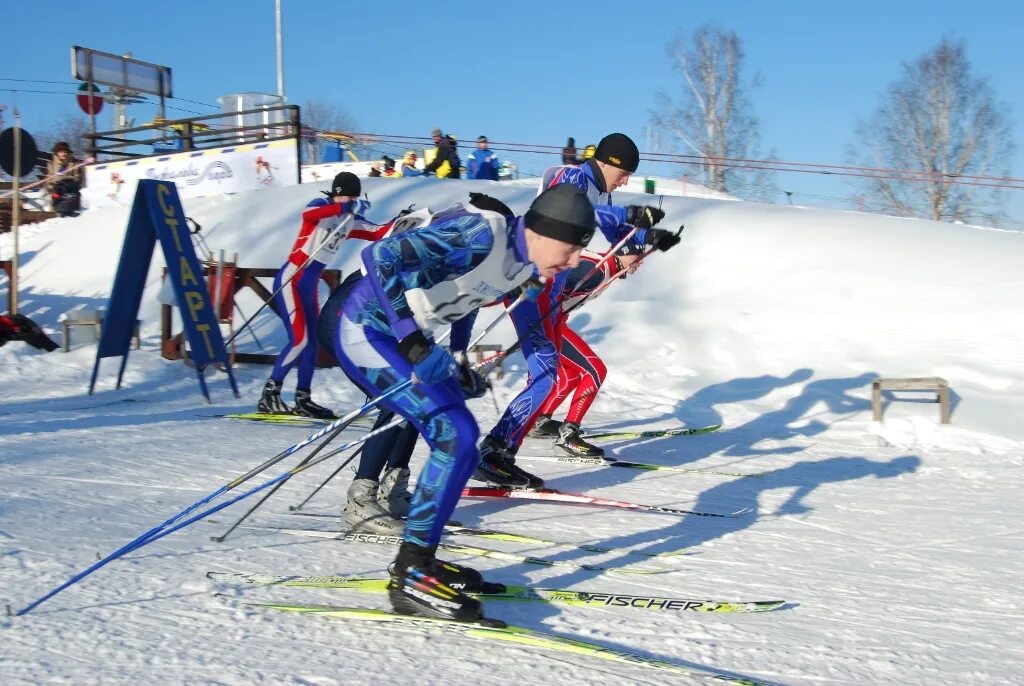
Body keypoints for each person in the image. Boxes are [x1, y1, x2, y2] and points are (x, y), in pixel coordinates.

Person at [327, 184, 600, 621]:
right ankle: (410, 571)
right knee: (455, 435)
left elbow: (467, 301)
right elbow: (378, 258)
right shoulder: (482, 233)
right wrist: (413, 341)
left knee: (462, 441)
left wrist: (460, 365)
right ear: (544, 232)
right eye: (570, 250)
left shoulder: (524, 266)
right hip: (364, 328)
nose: (571, 263)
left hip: (401, 338)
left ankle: (421, 560)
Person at [475, 132, 680, 487]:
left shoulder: (602, 191)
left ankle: (503, 451)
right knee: (544, 375)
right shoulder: (571, 177)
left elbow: (617, 233)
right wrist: (631, 215)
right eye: (625, 172)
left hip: (552, 290)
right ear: (608, 162)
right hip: (532, 280)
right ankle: (493, 452)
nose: (626, 180)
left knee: (549, 375)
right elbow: (571, 207)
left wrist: (649, 238)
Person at [317, 195, 511, 535]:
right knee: (403, 399)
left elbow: (466, 308)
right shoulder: (462, 234)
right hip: (353, 313)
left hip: (393, 325)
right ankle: (361, 499)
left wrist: (457, 362)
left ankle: (393, 488)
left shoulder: (478, 245)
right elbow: (381, 260)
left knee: (428, 391)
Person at [257, 172, 393, 419]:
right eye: (348, 194)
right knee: (299, 340)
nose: (351, 199)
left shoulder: (349, 218)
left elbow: (377, 232)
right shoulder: (321, 206)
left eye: (354, 196)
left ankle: (303, 397)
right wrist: (340, 207)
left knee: (312, 344)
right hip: (292, 279)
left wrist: (400, 221)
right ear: (338, 192)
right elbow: (308, 215)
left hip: (309, 286)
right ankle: (270, 392)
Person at [47, 142, 83, 217]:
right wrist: (51, 187)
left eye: (65, 152)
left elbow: (78, 177)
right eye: (60, 152)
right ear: (56, 153)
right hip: (57, 189)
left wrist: (70, 181)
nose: (63, 154)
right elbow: (49, 179)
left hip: (71, 188)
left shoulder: (74, 163)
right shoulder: (51, 164)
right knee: (56, 193)